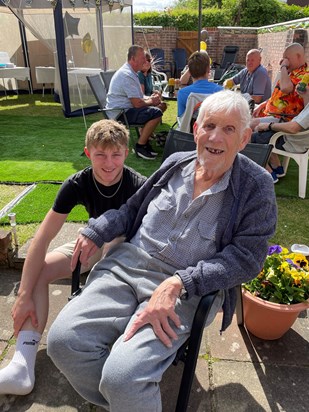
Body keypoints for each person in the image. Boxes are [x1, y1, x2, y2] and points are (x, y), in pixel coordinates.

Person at [47, 91, 277, 411]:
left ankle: (126, 396)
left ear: (245, 138)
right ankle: (124, 403)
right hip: (126, 267)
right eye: (209, 125)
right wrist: (98, 230)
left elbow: (248, 257)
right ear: (195, 128)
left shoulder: (256, 186)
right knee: (62, 343)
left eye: (229, 129)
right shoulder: (174, 163)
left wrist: (180, 282)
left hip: (186, 292)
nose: (215, 137)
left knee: (122, 376)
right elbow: (131, 209)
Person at [0, 119, 146, 396]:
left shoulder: (139, 186)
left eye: (116, 154)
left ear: (126, 154)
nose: (108, 163)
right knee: (37, 273)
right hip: (91, 243)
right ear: (88, 153)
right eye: (100, 154)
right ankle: (21, 365)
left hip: (127, 253)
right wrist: (23, 295)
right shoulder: (77, 183)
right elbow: (41, 239)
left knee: (108, 266)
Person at [107, 45, 165, 160]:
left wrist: (150, 98)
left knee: (160, 107)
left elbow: (138, 97)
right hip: (120, 113)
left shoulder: (131, 72)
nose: (145, 60)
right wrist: (151, 101)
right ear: (133, 59)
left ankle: (145, 139)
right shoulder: (127, 75)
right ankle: (140, 146)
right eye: (142, 57)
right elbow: (137, 104)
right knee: (157, 112)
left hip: (125, 109)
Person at [251, 84, 309, 183]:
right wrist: (306, 96)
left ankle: (268, 175)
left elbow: (293, 128)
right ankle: (277, 169)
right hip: (295, 139)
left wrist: (269, 125)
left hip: (290, 141)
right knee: (260, 132)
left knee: (246, 138)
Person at [253, 42, 307, 122]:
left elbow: (285, 88)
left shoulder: (305, 75)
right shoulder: (290, 73)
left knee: (245, 125)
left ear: (298, 56)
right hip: (267, 114)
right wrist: (262, 105)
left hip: (281, 119)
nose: (283, 61)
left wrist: (283, 66)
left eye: (287, 58)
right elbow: (278, 96)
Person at [177, 51, 223, 118]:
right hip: (212, 127)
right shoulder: (220, 91)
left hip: (189, 128)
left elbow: (181, 118)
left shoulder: (182, 93)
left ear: (189, 71)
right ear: (209, 70)